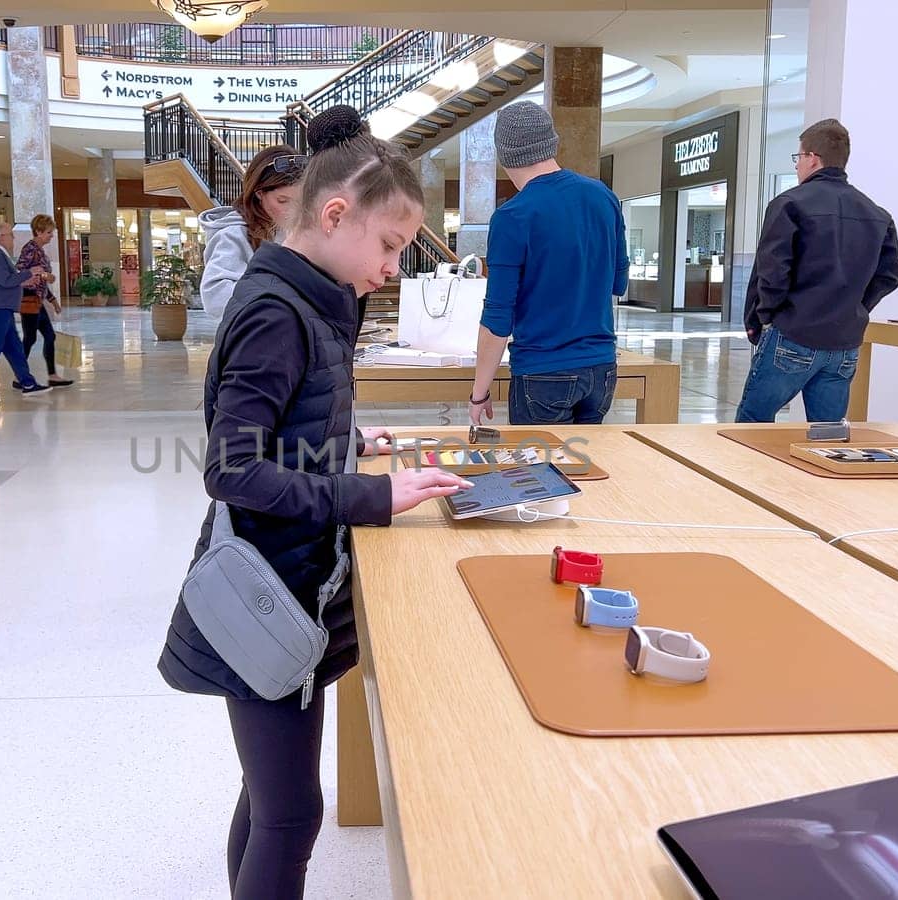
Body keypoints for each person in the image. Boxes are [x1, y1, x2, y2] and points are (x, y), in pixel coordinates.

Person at [158, 106, 470, 899]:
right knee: (292, 817)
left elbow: (286, 419)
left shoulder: (313, 294)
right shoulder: (276, 310)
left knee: (270, 801)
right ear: (335, 216)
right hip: (267, 591)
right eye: (391, 245)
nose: (394, 267)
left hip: (293, 583)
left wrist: (346, 441)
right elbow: (231, 469)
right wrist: (371, 493)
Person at [468, 100, 628, 427]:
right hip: (602, 369)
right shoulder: (603, 197)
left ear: (505, 155)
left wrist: (479, 392)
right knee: (586, 471)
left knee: (541, 475)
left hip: (543, 373)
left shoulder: (512, 216)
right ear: (551, 143)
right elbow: (618, 283)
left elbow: (498, 317)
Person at [737, 118, 898, 423]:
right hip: (844, 343)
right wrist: (854, 308)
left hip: (793, 332)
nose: (797, 166)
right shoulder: (877, 214)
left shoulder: (789, 204)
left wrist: (767, 317)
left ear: (812, 158)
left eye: (797, 158)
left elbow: (772, 270)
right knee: (827, 434)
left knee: (751, 426)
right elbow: (890, 274)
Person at [199, 144, 306, 319]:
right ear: (259, 194)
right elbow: (215, 298)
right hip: (255, 339)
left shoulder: (301, 228)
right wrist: (282, 297)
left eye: (299, 201)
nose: (292, 209)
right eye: (282, 200)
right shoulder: (234, 233)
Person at [0, 221, 51, 402]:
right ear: (1, 237)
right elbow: (4, 280)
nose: (13, 238)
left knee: (14, 347)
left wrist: (24, 281)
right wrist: (29, 273)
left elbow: (5, 280)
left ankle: (27, 382)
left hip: (4, 308)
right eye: (11, 235)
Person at [15, 213, 73, 388]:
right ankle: (21, 375)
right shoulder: (30, 250)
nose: (51, 236)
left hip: (38, 300)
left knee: (48, 336)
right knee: (30, 338)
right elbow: (20, 272)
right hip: (29, 300)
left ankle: (52, 375)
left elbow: (42, 279)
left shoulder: (39, 250)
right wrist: (41, 275)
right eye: (49, 232)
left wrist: (52, 299)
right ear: (39, 232)